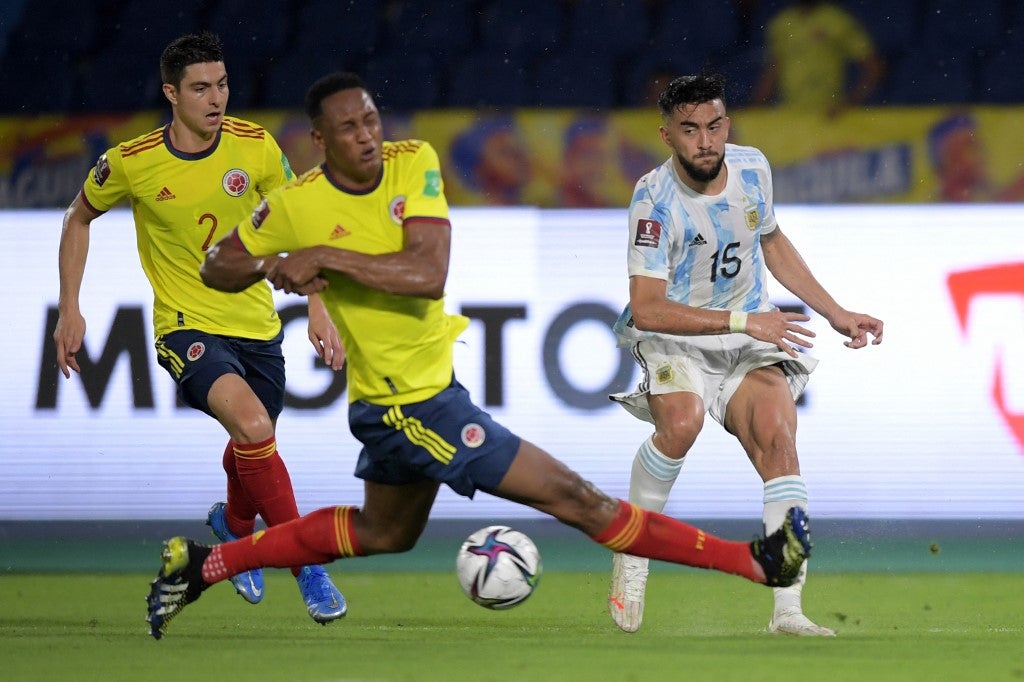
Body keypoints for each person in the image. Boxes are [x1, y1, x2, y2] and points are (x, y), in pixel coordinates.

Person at [144, 71, 814, 640]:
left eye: (371, 118)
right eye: (347, 128)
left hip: (428, 393)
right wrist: (270, 264)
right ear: (319, 142)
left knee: (381, 533)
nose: (366, 134)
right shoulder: (295, 203)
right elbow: (219, 266)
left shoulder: (413, 162)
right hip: (409, 408)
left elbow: (427, 272)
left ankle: (201, 565)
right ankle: (755, 562)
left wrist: (321, 259)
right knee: (578, 500)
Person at [53, 32, 346, 624]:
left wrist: (318, 306)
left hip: (257, 327)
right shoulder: (132, 162)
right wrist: (70, 306)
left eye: (223, 85)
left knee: (251, 442)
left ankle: (232, 528)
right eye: (200, 88)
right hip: (185, 325)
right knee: (255, 423)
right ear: (171, 93)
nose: (216, 99)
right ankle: (306, 565)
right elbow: (78, 217)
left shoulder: (257, 147)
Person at [607, 73, 883, 636]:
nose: (705, 141)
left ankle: (788, 610)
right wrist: (744, 320)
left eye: (714, 126)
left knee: (781, 439)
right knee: (681, 425)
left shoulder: (753, 167)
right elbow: (649, 308)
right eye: (690, 130)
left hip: (746, 336)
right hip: (678, 338)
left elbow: (772, 241)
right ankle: (631, 554)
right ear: (667, 136)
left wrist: (834, 312)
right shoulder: (653, 199)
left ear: (727, 124)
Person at [750, 0, 884, 116]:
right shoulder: (781, 23)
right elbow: (773, 70)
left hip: (829, 115)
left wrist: (850, 104)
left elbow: (873, 67)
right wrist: (756, 110)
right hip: (790, 115)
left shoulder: (836, 20)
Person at [927, 112, 1024, 202]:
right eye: (967, 149)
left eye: (977, 149)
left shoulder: (983, 198)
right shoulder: (927, 210)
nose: (976, 159)